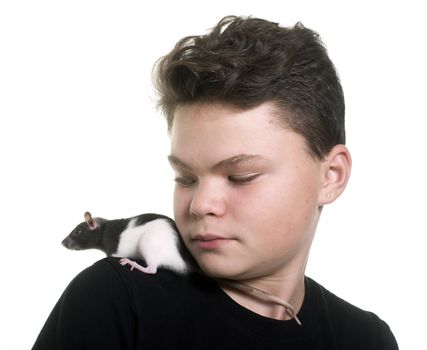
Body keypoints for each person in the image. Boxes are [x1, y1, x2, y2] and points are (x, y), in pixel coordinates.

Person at [32, 15, 398, 349]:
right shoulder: (116, 301)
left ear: (331, 176)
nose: (200, 204)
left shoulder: (367, 339)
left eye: (241, 176)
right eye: (185, 177)